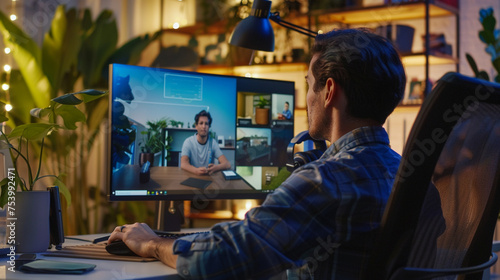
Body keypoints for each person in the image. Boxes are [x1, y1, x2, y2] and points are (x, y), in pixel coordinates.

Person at [109, 28, 406, 279]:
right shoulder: (409, 175)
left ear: (329, 91)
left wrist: (150, 243)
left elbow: (223, 258)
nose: (307, 100)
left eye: (309, 86)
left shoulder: (325, 180)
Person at [179, 110, 230, 175]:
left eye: (206, 124)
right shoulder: (188, 142)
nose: (204, 126)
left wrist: (216, 168)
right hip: (192, 177)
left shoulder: (213, 143)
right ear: (196, 126)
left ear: (209, 127)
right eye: (201, 123)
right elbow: (183, 164)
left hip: (208, 178)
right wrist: (196, 171)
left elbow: (227, 164)